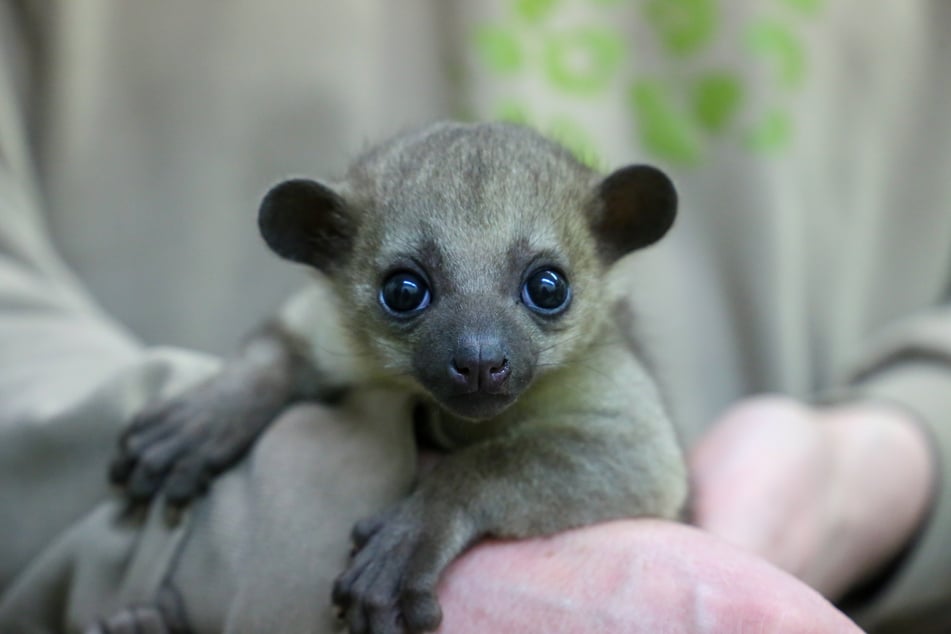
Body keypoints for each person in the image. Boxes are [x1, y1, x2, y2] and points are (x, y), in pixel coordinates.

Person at [0, 1, 947, 632]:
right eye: (410, 294)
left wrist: (891, 458)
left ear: (613, 239)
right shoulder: (331, 308)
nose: (485, 348)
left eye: (542, 292)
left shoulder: (590, 383)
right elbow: (294, 340)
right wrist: (237, 408)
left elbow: (636, 469)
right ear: (326, 249)